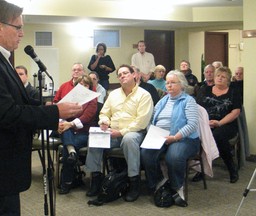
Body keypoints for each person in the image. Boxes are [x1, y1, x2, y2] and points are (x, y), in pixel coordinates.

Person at [0, 1, 82, 215]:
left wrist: (48, 105)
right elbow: (7, 114)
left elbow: (15, 100)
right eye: (18, 27)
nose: (22, 33)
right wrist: (56, 112)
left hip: (1, 161)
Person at [85, 64, 153, 202]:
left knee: (129, 139)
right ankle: (96, 178)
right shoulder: (113, 94)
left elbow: (141, 122)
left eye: (125, 73)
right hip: (112, 131)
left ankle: (134, 181)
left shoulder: (144, 95)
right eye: (120, 74)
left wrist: (121, 132)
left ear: (134, 75)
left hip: (135, 132)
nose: (122, 76)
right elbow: (104, 112)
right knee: (95, 137)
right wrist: (104, 122)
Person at [141, 70, 200, 207]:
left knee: (173, 156)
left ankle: (177, 187)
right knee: (145, 153)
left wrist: (175, 137)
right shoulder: (163, 101)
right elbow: (150, 120)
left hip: (184, 138)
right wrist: (152, 132)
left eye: (173, 82)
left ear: (182, 84)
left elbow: (192, 124)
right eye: (167, 83)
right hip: (160, 137)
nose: (169, 85)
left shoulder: (188, 100)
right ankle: (159, 182)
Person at [195, 66, 241, 183]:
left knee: (217, 136)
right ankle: (202, 170)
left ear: (228, 80)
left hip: (226, 124)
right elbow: (197, 108)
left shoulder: (233, 92)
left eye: (223, 77)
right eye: (218, 76)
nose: (220, 78)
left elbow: (236, 112)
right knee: (199, 135)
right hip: (205, 123)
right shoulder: (204, 89)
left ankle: (231, 168)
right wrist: (205, 122)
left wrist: (219, 123)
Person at [57, 75, 97, 195]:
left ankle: (66, 182)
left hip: (84, 132)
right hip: (69, 131)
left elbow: (86, 118)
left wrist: (70, 124)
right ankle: (72, 152)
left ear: (89, 87)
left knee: (66, 147)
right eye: (81, 84)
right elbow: (62, 114)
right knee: (64, 127)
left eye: (86, 85)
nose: (83, 87)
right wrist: (64, 123)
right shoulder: (71, 99)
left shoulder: (92, 100)